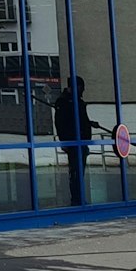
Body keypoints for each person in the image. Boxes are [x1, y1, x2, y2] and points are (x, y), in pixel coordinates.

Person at [51, 76, 95, 206]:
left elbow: (82, 119)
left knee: (80, 173)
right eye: (81, 88)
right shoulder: (63, 102)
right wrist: (64, 142)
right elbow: (61, 123)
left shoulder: (78, 102)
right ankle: (76, 199)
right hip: (73, 143)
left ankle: (79, 198)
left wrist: (90, 124)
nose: (83, 91)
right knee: (75, 173)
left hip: (82, 142)